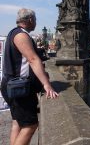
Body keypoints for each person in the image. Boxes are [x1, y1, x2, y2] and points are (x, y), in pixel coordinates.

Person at [0, 8, 59, 145]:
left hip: (12, 85)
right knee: (30, 125)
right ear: (30, 20)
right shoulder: (21, 35)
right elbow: (33, 60)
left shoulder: (13, 33)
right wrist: (47, 84)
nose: (36, 23)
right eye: (35, 20)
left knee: (18, 123)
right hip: (19, 87)